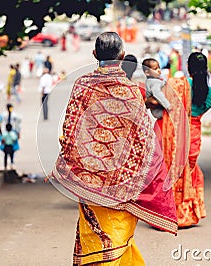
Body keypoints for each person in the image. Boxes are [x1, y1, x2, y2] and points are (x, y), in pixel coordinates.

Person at [48, 32, 177, 265]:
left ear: (94, 54)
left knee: (94, 233)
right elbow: (144, 141)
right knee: (117, 234)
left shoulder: (81, 85)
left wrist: (72, 165)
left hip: (89, 182)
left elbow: (70, 130)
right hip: (122, 183)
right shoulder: (131, 91)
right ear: (123, 56)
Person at [174, 52, 211, 227]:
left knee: (175, 173)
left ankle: (173, 213)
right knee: (189, 172)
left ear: (188, 67)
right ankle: (189, 213)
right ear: (206, 69)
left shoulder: (180, 85)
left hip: (178, 132)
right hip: (194, 136)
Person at [142, 58, 172, 127]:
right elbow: (158, 94)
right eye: (155, 69)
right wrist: (168, 106)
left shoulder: (154, 80)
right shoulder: (153, 82)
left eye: (159, 68)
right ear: (147, 72)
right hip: (159, 111)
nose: (158, 70)